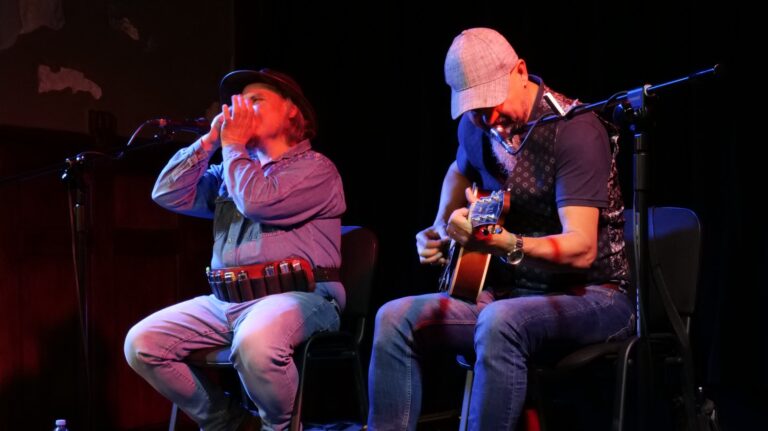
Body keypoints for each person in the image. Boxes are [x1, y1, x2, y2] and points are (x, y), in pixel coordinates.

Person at [367, 27, 635, 430]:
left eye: (491, 103)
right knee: (394, 318)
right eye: (475, 109)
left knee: (500, 321)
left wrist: (503, 242)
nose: (488, 119)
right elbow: (458, 170)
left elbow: (581, 248)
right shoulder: (475, 127)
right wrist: (440, 225)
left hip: (595, 295)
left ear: (520, 72)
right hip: (513, 295)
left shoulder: (574, 130)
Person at [124, 69, 346, 431]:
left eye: (255, 100)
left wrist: (232, 148)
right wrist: (210, 142)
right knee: (143, 343)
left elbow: (257, 202)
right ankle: (232, 423)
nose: (240, 109)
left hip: (301, 297)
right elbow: (166, 193)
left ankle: (278, 427)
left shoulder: (316, 169)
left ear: (293, 111)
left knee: (256, 342)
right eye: (237, 103)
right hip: (227, 302)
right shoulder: (231, 168)